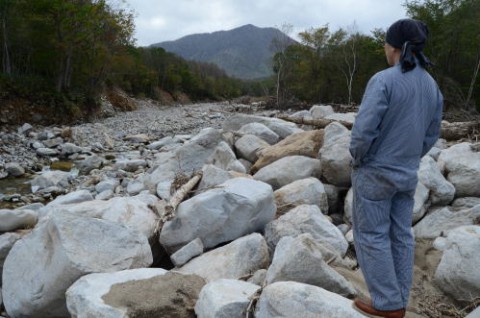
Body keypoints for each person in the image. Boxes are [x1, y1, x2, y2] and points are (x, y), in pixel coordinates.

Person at [349, 19, 443, 318]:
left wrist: (357, 158)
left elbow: (363, 130)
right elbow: (431, 133)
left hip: (376, 171)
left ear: (395, 48)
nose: (385, 50)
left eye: (386, 45)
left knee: (372, 235)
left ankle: (388, 304)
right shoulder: (432, 85)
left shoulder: (384, 80)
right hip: (407, 173)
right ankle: (399, 298)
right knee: (401, 234)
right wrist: (410, 157)